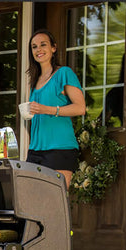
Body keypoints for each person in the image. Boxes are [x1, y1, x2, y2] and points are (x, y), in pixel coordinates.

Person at [25, 29, 86, 189]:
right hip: (35, 149)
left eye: (43, 45)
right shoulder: (35, 81)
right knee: (32, 203)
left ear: (53, 48)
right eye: (34, 46)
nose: (38, 50)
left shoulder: (64, 73)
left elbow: (80, 108)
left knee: (53, 204)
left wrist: (47, 109)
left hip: (60, 148)